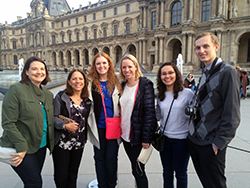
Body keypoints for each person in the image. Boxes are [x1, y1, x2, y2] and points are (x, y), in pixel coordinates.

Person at [187, 32, 240, 188]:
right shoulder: (205, 71)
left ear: (216, 47)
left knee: (215, 185)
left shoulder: (228, 72)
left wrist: (219, 142)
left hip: (211, 143)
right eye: (198, 48)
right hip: (195, 140)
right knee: (206, 182)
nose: (201, 51)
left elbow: (233, 113)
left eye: (205, 46)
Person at [0, 57, 54, 187]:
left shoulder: (47, 95)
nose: (39, 72)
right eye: (34, 69)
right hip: (22, 147)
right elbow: (8, 122)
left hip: (40, 146)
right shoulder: (16, 90)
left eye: (42, 69)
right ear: (26, 72)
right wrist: (21, 146)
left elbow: (49, 118)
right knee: (35, 183)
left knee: (31, 182)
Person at [119, 54, 156, 188]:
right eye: (124, 67)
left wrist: (146, 138)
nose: (127, 69)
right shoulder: (122, 86)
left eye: (130, 66)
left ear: (136, 66)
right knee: (135, 169)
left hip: (138, 136)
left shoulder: (145, 84)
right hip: (125, 136)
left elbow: (149, 113)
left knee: (138, 170)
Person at [156, 62, 194, 188]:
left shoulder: (188, 93)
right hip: (165, 139)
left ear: (176, 75)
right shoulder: (160, 95)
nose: (167, 76)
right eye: (164, 74)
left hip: (182, 140)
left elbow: (196, 115)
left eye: (171, 73)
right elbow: (157, 116)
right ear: (160, 77)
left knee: (181, 173)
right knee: (166, 172)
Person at [87, 52, 121, 188]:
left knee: (111, 158)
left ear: (109, 64)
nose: (101, 66)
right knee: (99, 158)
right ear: (94, 66)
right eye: (98, 63)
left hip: (113, 126)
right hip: (98, 126)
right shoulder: (90, 83)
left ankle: (112, 184)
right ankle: (102, 184)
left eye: (104, 63)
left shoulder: (118, 81)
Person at [53, 69, 91, 188]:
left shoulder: (87, 101)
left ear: (84, 82)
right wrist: (64, 125)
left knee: (73, 174)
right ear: (69, 82)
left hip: (79, 143)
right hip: (62, 143)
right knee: (61, 176)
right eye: (74, 79)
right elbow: (53, 117)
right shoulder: (61, 96)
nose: (77, 81)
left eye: (80, 79)